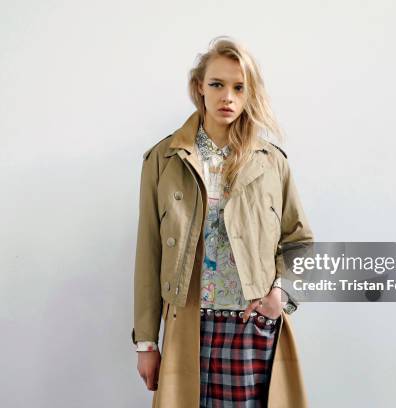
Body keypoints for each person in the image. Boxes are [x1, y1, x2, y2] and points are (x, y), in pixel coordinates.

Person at [132, 36, 314, 408]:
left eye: (238, 87)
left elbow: (300, 241)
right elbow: (148, 254)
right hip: (188, 326)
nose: (226, 97)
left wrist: (280, 295)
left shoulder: (271, 162)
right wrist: (147, 342)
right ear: (199, 87)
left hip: (253, 327)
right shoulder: (163, 160)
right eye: (217, 84)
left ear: (250, 94)